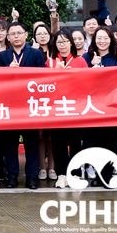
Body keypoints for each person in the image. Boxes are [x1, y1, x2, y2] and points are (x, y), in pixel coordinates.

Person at [0, 22, 46, 189]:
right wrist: (7, 71)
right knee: (10, 144)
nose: (16, 36)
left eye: (19, 33)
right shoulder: (2, 56)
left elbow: (43, 78)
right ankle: (12, 177)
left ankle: (32, 177)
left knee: (32, 144)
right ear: (8, 37)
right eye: (13, 34)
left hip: (30, 106)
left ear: (26, 35)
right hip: (10, 107)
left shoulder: (36, 54)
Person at [83, 26, 117, 186]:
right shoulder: (86, 57)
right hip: (91, 107)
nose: (102, 41)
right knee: (92, 141)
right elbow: (80, 81)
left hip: (111, 107)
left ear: (111, 40)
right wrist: (91, 68)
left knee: (109, 141)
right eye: (99, 38)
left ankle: (107, 175)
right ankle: (95, 174)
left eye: (105, 38)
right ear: (94, 40)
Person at [45, 29, 88, 189]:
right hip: (56, 109)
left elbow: (87, 83)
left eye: (65, 41)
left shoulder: (80, 61)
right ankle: (62, 174)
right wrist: (56, 73)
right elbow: (44, 85)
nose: (62, 45)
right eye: (59, 42)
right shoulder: (50, 62)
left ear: (71, 42)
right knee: (58, 143)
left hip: (75, 108)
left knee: (76, 142)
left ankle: (75, 173)